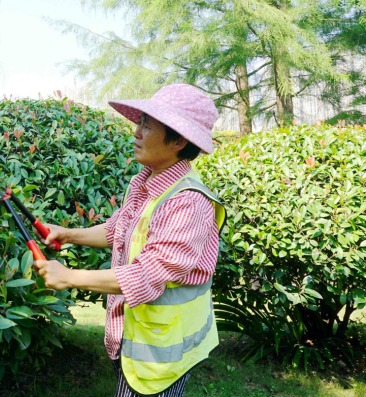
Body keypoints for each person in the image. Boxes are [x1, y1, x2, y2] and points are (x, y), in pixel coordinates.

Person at [33, 84, 225, 397]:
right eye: (140, 123)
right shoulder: (147, 182)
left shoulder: (188, 203)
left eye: (147, 126)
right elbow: (118, 231)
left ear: (178, 140)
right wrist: (67, 234)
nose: (136, 132)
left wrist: (70, 277)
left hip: (163, 352)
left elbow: (147, 274)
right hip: (138, 337)